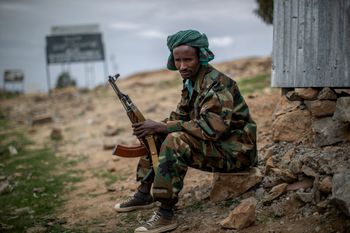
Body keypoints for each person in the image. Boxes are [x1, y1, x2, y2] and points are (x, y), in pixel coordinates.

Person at [114, 29, 257, 233]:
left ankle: (165, 214)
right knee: (155, 133)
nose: (182, 66)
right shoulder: (191, 81)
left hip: (236, 152)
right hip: (218, 146)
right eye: (178, 60)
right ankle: (144, 193)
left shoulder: (215, 85)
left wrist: (164, 127)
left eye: (188, 59)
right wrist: (152, 127)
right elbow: (181, 116)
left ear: (201, 56)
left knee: (175, 140)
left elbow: (212, 129)